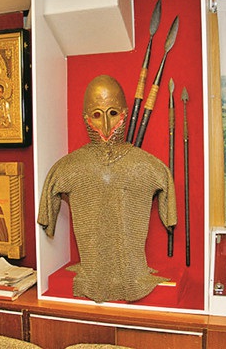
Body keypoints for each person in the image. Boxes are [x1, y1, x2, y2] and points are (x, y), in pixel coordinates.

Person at [38, 75, 176, 303]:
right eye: (96, 115)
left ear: (124, 114)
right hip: (91, 275)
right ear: (86, 118)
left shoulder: (149, 166)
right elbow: (46, 216)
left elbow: (169, 209)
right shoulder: (68, 167)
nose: (105, 124)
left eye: (112, 113)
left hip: (133, 276)